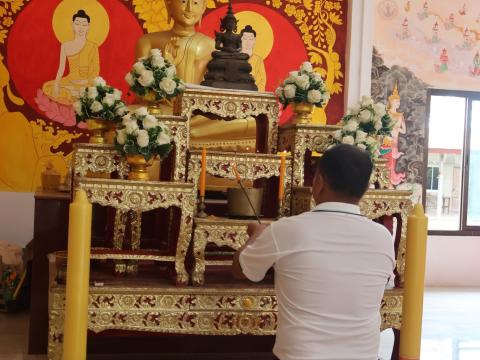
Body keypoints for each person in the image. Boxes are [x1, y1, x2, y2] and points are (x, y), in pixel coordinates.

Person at [232, 144, 395, 360]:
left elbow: (242, 270)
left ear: (318, 182)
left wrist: (256, 234)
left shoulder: (286, 229)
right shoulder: (383, 237)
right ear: (365, 189)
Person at [42, 10, 100, 105]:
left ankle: (74, 92)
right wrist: (56, 84)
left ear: (88, 27)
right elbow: (61, 68)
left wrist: (87, 81)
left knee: (90, 92)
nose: (80, 27)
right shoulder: (65, 45)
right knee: (48, 86)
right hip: (70, 80)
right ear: (73, 25)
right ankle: (72, 91)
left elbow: (96, 69)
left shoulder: (92, 46)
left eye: (84, 24)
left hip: (86, 82)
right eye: (77, 24)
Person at [240, 25, 267, 91]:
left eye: (251, 39)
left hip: (253, 92)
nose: (247, 42)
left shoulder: (258, 59)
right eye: (245, 38)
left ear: (254, 40)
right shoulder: (236, 57)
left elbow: (262, 80)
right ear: (240, 39)